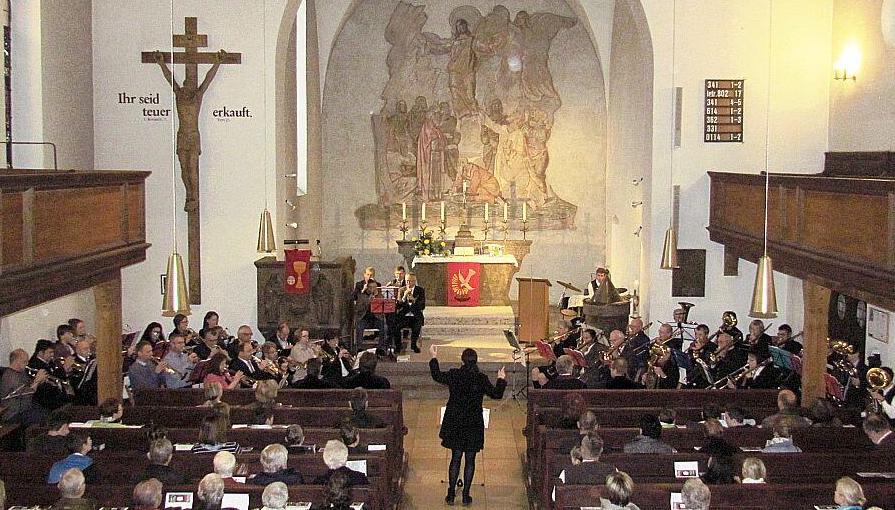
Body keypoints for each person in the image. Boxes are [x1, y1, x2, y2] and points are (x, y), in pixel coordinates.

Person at [429, 345, 506, 506]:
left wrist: (434, 357)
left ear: (462, 360)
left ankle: (450, 494)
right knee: (470, 460)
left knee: (455, 457)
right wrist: (501, 379)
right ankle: (465, 495)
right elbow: (497, 395)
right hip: (473, 423)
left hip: (456, 421)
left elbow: (436, 376)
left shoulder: (454, 374)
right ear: (476, 361)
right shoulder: (481, 378)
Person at [1, 348, 49, 424]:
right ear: (17, 362)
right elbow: (27, 394)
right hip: (14, 413)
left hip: (26, 407)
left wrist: (40, 381)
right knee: (42, 416)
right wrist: (37, 381)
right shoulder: (10, 377)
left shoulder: (21, 372)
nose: (27, 364)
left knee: (46, 408)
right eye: (25, 361)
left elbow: (29, 385)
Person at [397, 272, 426, 353]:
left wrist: (414, 301)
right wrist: (403, 297)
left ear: (414, 281)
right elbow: (398, 306)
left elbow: (422, 306)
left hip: (415, 315)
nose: (408, 283)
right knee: (396, 326)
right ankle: (398, 346)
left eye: (410, 281)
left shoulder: (420, 290)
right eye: (406, 281)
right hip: (404, 316)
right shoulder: (402, 290)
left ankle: (413, 345)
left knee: (417, 326)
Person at [70, 339, 98, 406]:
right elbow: (76, 381)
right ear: (77, 351)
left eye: (89, 348)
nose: (88, 351)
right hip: (81, 392)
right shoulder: (73, 360)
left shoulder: (93, 359)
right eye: (85, 349)